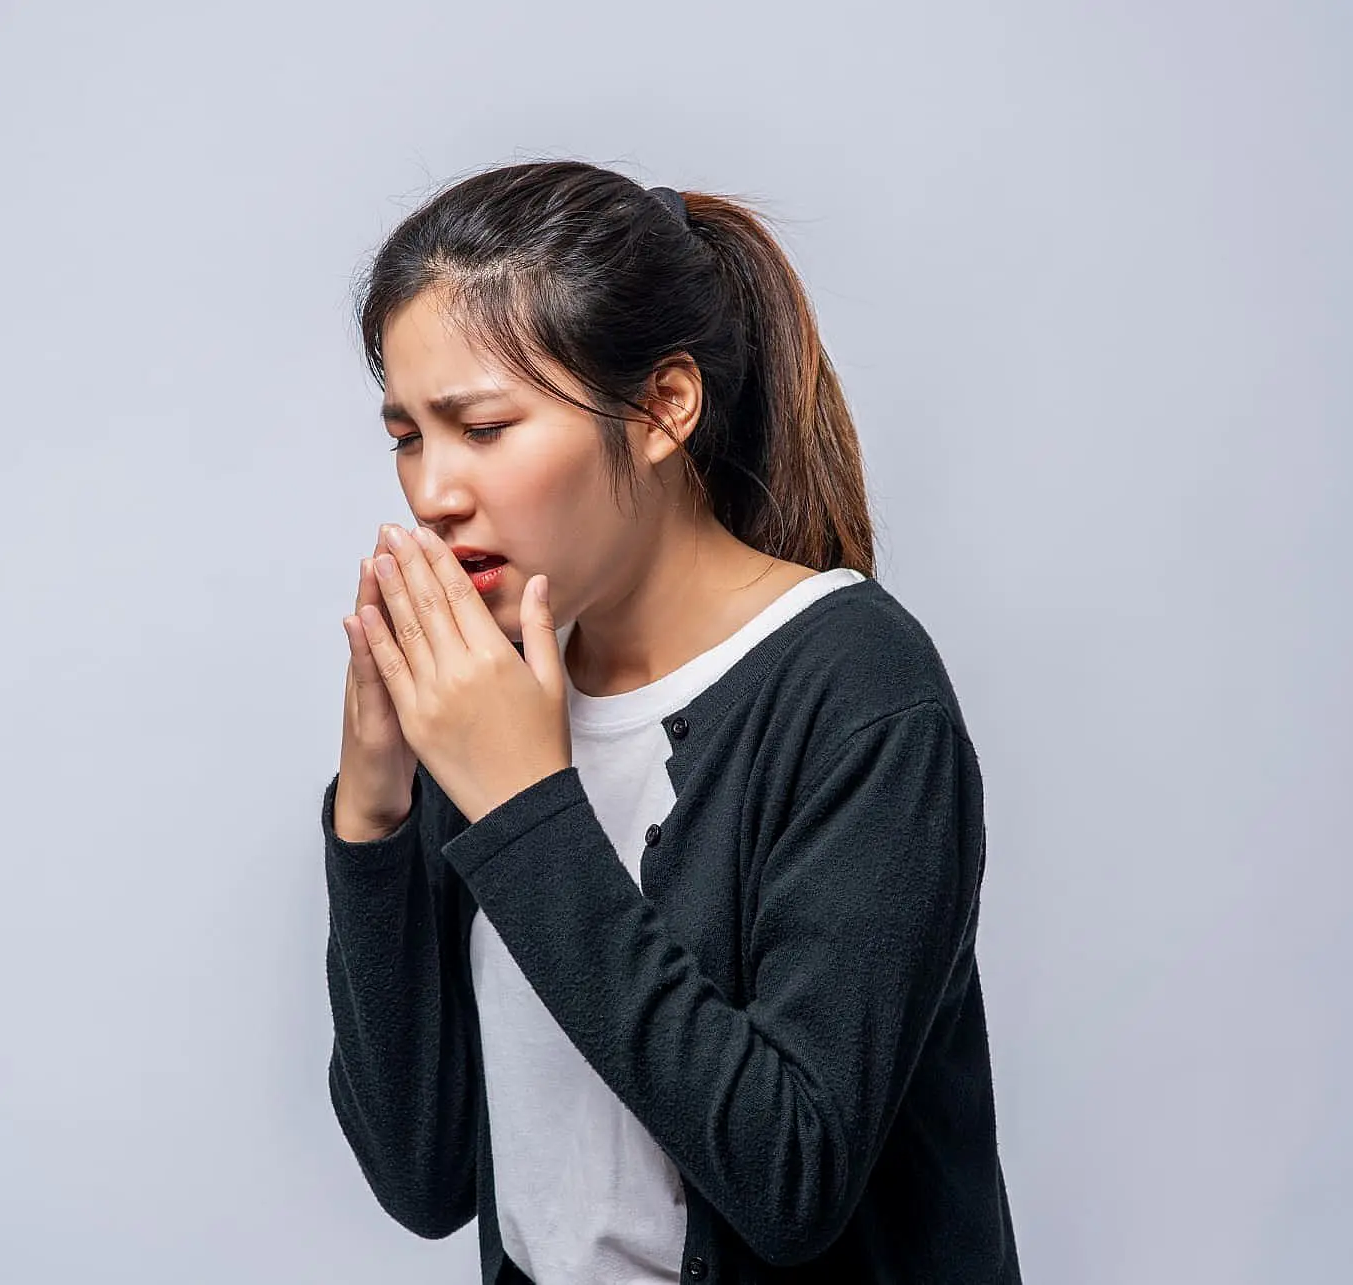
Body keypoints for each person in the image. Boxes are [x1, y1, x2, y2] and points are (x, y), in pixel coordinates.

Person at [321, 161, 1022, 1284]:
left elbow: (793, 1179)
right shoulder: (489, 693)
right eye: (407, 435)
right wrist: (371, 815)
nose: (432, 490)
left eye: (483, 426)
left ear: (662, 408)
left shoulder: (858, 693)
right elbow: (426, 1173)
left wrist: (520, 807)